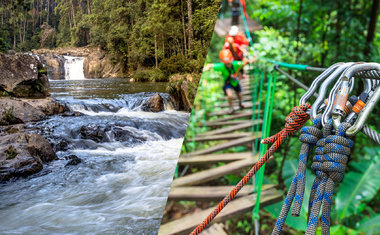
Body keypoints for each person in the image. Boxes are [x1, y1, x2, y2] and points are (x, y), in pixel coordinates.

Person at [204, 49, 255, 114]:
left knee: (239, 94)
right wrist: (207, 67)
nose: (228, 64)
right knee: (230, 95)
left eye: (229, 63)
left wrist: (250, 61)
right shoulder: (221, 66)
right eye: (226, 63)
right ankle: (231, 107)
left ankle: (241, 102)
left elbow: (244, 62)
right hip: (228, 83)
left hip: (236, 82)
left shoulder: (236, 64)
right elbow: (210, 65)